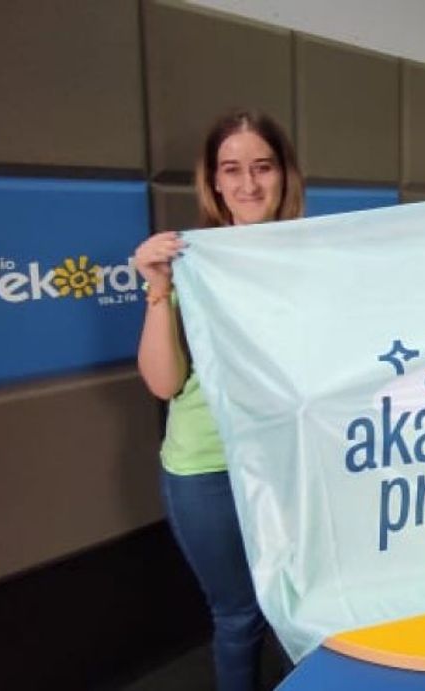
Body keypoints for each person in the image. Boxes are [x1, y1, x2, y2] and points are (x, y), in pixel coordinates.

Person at [133, 109, 305, 690]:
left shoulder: (312, 255)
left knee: (302, 609)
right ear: (213, 180)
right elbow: (164, 383)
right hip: (207, 467)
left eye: (263, 167)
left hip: (290, 462)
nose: (248, 184)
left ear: (284, 174)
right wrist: (159, 287)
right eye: (232, 169)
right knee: (239, 617)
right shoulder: (189, 261)